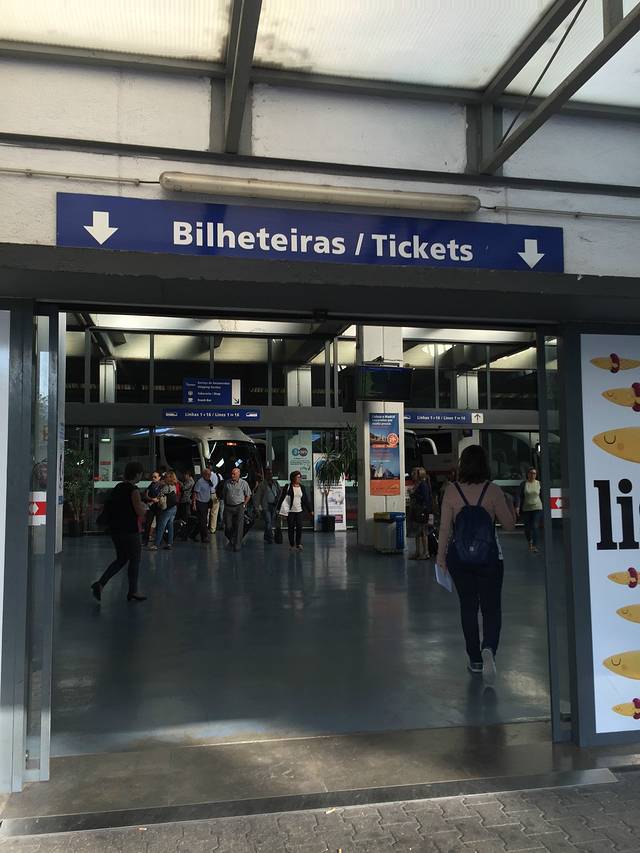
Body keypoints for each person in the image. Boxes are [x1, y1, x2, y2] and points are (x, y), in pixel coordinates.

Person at [437, 445, 516, 682]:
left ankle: (475, 659)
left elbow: (444, 528)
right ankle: (489, 647)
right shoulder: (493, 491)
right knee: (491, 608)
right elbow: (509, 525)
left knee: (468, 607)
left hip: (459, 559)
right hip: (489, 558)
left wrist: (440, 558)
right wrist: (509, 505)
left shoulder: (451, 491)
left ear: (462, 464)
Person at [91, 461, 148, 603]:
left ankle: (100, 583)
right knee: (135, 559)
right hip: (130, 530)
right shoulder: (133, 490)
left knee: (121, 558)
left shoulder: (118, 487)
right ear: (137, 474)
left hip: (116, 530)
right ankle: (133, 591)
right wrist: (144, 508)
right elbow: (139, 511)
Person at [276, 470, 312, 551]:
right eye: (298, 477)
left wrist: (310, 510)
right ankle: (292, 544)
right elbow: (282, 498)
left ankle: (298, 543)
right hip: (290, 512)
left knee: (299, 527)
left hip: (299, 511)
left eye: (300, 477)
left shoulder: (302, 487)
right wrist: (278, 509)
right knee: (291, 528)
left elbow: (305, 500)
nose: (299, 479)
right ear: (293, 478)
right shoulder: (288, 487)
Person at [222, 467, 252, 551]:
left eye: (234, 474)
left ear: (239, 474)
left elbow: (248, 495)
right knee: (228, 526)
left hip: (239, 506)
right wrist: (225, 504)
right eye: (232, 474)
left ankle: (237, 545)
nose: (232, 475)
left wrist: (244, 504)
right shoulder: (227, 483)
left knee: (239, 526)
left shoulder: (244, 483)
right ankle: (232, 539)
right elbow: (224, 494)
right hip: (229, 507)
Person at [149, 471, 179, 551]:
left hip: (167, 509)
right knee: (170, 525)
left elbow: (160, 495)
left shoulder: (166, 486)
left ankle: (156, 544)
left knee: (161, 526)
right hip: (174, 508)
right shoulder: (174, 486)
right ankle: (169, 543)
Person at [516, 467, 543, 553]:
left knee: (535, 526)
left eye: (534, 473)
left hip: (537, 507)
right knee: (527, 528)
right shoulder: (524, 484)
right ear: (528, 474)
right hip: (526, 508)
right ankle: (529, 541)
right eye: (531, 473)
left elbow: (543, 495)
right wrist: (517, 507)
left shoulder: (539, 483)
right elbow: (518, 496)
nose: (532, 475)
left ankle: (534, 546)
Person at [409, 467, 433, 560]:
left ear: (420, 475)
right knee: (417, 532)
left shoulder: (423, 484)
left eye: (414, 473)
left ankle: (426, 552)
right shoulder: (417, 484)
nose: (412, 475)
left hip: (422, 511)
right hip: (417, 511)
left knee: (423, 532)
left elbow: (425, 498)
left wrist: (413, 494)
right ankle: (417, 552)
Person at [254, 468, 280, 544]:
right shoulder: (262, 484)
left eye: (271, 474)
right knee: (268, 521)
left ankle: (266, 535)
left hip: (274, 505)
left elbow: (279, 492)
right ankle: (270, 538)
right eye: (268, 474)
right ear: (265, 475)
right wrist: (257, 507)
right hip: (266, 506)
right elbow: (258, 496)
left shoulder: (275, 483)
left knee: (271, 522)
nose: (270, 475)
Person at [191, 468, 216, 544]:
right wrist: (194, 504)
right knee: (203, 521)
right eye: (208, 475)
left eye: (210, 475)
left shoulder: (208, 481)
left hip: (206, 503)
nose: (209, 476)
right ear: (204, 475)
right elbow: (195, 493)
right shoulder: (200, 482)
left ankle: (193, 534)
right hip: (200, 503)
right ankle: (204, 537)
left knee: (201, 521)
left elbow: (211, 488)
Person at [142, 470, 162, 545]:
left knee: (159, 523)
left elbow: (162, 494)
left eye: (155, 477)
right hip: (151, 506)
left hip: (158, 506)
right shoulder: (151, 485)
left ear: (159, 477)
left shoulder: (161, 485)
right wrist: (152, 499)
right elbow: (146, 495)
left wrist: (157, 499)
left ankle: (158, 540)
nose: (153, 478)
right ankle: (145, 540)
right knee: (148, 523)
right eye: (152, 477)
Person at [208, 469, 223, 535]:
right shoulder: (219, 475)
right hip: (216, 495)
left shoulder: (207, 475)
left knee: (207, 512)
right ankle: (213, 529)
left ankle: (206, 526)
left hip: (207, 495)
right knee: (214, 513)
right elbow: (222, 485)